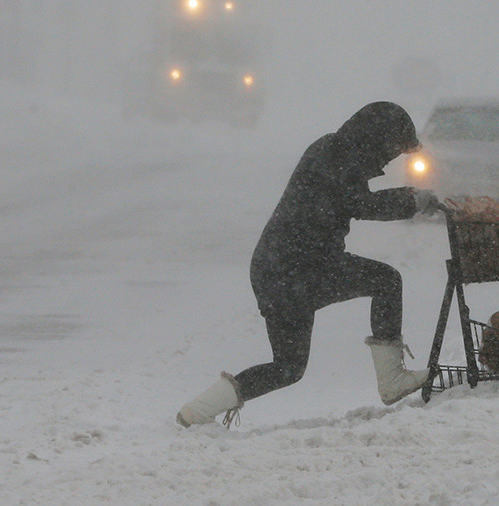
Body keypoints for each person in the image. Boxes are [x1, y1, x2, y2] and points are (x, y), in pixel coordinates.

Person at [177, 102, 439, 427]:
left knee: (288, 367)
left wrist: (410, 197)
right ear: (377, 139)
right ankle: (391, 380)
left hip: (277, 267)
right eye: (392, 150)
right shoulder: (337, 157)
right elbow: (359, 203)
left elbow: (353, 198)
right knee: (386, 281)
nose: (389, 160)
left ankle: (197, 411)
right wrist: (412, 200)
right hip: (301, 267)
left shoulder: (334, 150)